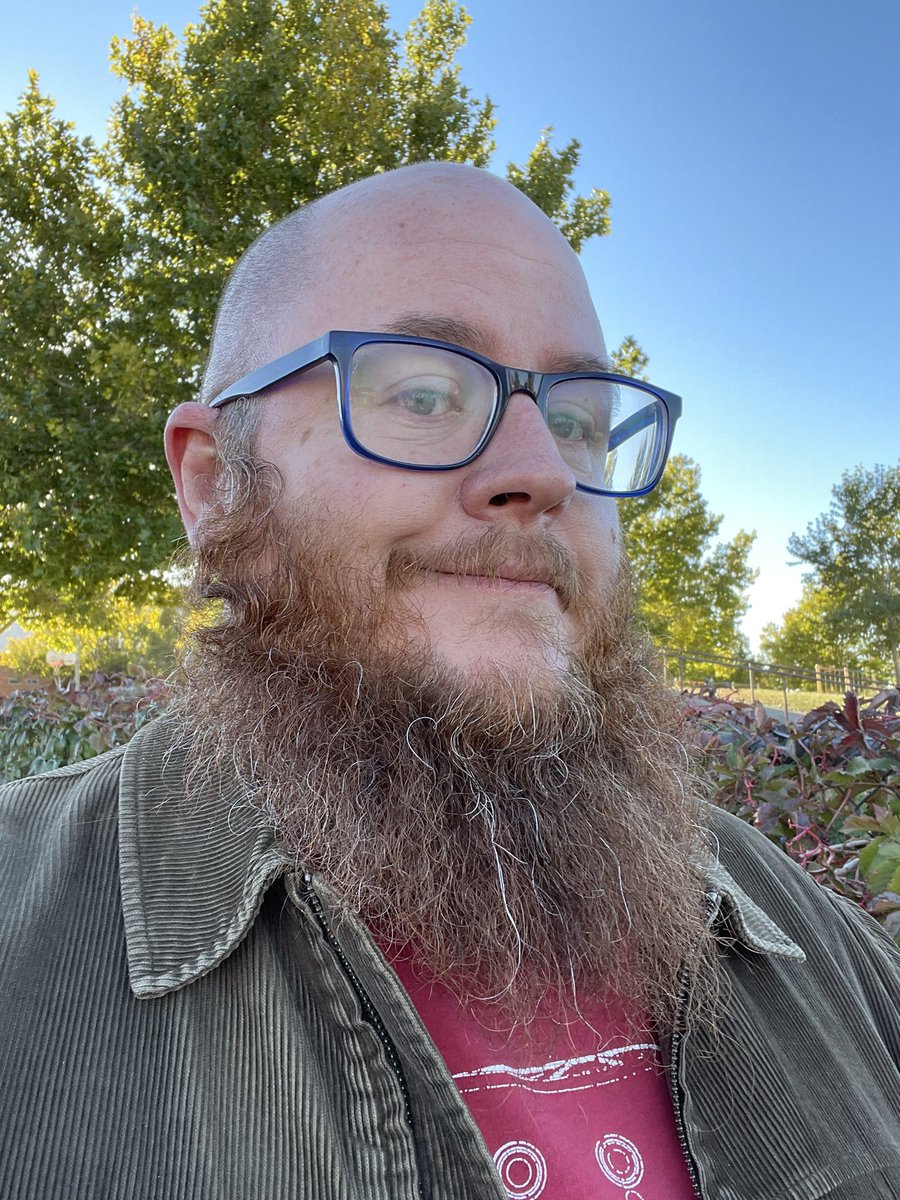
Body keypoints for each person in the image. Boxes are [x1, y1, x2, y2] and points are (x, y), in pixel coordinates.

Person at [1, 163, 897, 1200]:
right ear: (213, 482)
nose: (544, 472)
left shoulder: (825, 954)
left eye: (577, 420)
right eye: (423, 393)